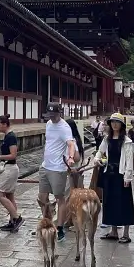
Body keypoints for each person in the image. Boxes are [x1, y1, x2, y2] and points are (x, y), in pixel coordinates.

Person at [38, 101, 78, 242]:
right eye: (50, 114)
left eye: (54, 115)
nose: (52, 117)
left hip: (58, 168)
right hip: (45, 166)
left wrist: (71, 157)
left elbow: (70, 144)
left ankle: (60, 228)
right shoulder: (48, 124)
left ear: (59, 113)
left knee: (59, 197)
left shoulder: (64, 127)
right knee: (42, 198)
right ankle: (47, 223)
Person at [93, 112, 134, 243]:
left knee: (124, 202)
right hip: (109, 173)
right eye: (113, 122)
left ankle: (126, 233)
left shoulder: (127, 141)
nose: (115, 124)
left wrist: (128, 177)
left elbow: (129, 160)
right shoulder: (107, 139)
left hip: (121, 174)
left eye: (117, 122)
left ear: (121, 125)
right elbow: (100, 151)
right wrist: (97, 159)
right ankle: (113, 231)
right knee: (109, 202)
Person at [0, 114, 22, 232]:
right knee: (10, 195)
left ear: (5, 124)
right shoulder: (7, 136)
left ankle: (16, 217)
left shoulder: (11, 137)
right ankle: (12, 221)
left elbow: (13, 155)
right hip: (9, 167)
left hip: (10, 168)